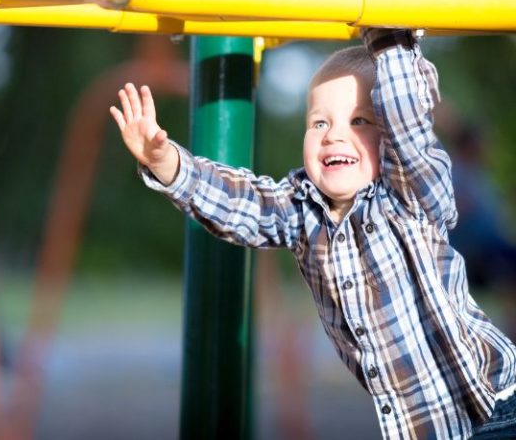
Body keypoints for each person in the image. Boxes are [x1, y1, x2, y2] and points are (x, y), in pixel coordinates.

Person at [109, 28, 516, 439]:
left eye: (359, 121)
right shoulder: (302, 211)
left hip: (496, 402)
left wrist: (389, 41)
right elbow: (240, 204)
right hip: (426, 428)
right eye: (319, 122)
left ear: (388, 135)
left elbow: (409, 126)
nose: (333, 134)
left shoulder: (410, 197)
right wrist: (166, 163)